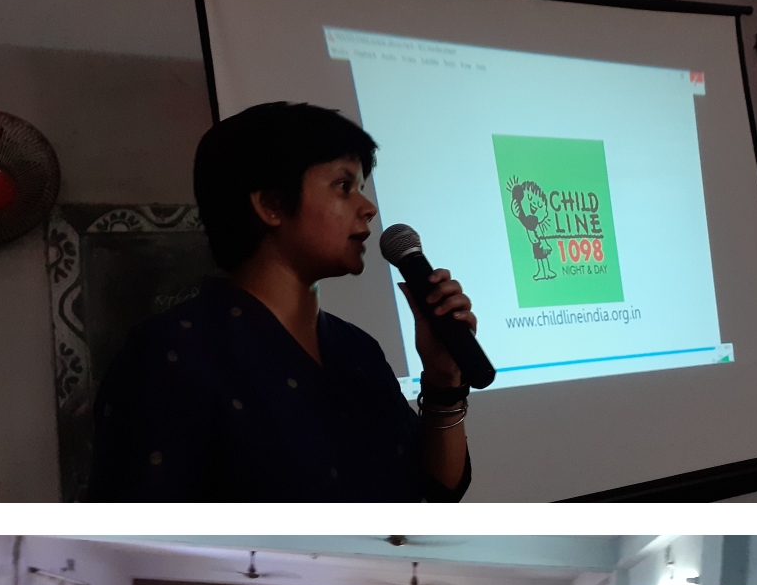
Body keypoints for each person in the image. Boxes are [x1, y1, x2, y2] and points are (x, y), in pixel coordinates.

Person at [90, 101, 478, 501]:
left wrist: (443, 381)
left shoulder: (358, 350)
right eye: (345, 187)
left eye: (361, 188)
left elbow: (435, 494)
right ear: (271, 205)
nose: (368, 208)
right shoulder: (171, 355)